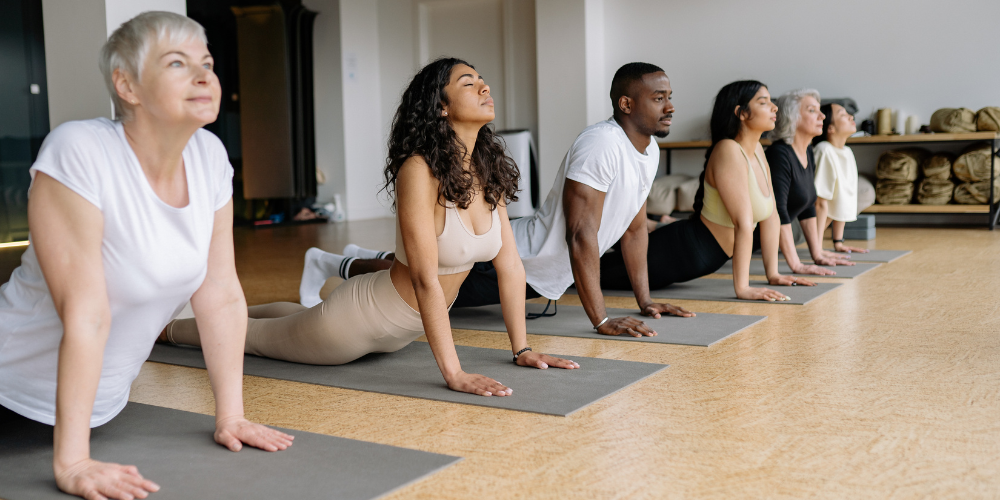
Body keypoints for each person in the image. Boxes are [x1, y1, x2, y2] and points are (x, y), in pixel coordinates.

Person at [0, 12, 292, 500]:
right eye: (178, 63)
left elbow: (219, 293)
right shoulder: (80, 151)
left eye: (207, 62)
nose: (204, 76)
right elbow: (87, 312)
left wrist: (231, 416)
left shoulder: (210, 158)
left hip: (99, 411)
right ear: (127, 85)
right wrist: (72, 462)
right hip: (9, 389)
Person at [162, 58, 578, 398]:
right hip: (353, 325)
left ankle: (210, 310)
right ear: (441, 106)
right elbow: (424, 278)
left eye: (483, 80)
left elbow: (511, 268)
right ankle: (163, 329)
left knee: (288, 320)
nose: (485, 87)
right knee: (248, 337)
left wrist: (521, 349)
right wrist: (454, 373)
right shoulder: (419, 170)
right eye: (469, 83)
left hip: (397, 334)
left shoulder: (486, 170)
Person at [322, 62, 694, 338]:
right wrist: (600, 320)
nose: (670, 106)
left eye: (669, 97)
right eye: (658, 98)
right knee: (410, 283)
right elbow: (581, 234)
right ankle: (335, 263)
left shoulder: (650, 151)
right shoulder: (602, 144)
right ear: (626, 104)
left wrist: (644, 300)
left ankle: (357, 255)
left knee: (423, 269)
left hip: (539, 272)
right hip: (517, 260)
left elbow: (633, 229)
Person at [604, 81, 815, 300]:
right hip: (680, 252)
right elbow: (743, 223)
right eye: (763, 102)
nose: (774, 107)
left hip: (699, 256)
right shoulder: (728, 150)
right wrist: (743, 288)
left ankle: (644, 225)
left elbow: (771, 215)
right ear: (740, 113)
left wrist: (773, 273)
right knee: (587, 271)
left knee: (600, 260)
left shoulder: (759, 151)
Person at [765, 89, 854, 274]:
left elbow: (807, 206)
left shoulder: (807, 152)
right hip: (747, 244)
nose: (822, 115)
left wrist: (818, 253)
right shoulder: (779, 154)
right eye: (812, 110)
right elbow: (777, 211)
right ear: (792, 117)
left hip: (776, 239)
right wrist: (796, 265)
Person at [812, 103, 868, 254]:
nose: (851, 117)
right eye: (843, 115)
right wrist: (817, 250)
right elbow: (819, 203)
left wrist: (838, 242)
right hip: (802, 226)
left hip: (818, 226)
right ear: (830, 128)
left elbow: (843, 199)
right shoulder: (824, 150)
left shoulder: (847, 152)